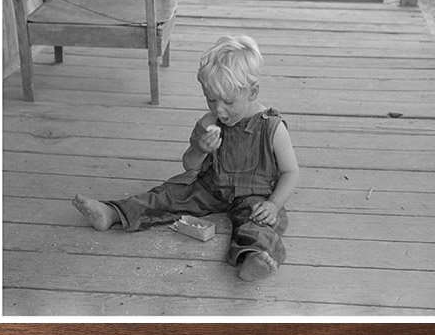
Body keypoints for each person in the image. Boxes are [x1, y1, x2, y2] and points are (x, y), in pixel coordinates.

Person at [72, 35, 299, 281]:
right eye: (211, 99)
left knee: (261, 223)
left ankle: (252, 258)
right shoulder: (209, 123)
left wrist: (273, 204)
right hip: (211, 186)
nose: (219, 109)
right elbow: (189, 165)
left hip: (254, 195)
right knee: (168, 194)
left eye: (228, 101)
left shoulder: (272, 128)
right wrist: (200, 149)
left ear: (253, 91)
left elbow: (291, 172)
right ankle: (113, 213)